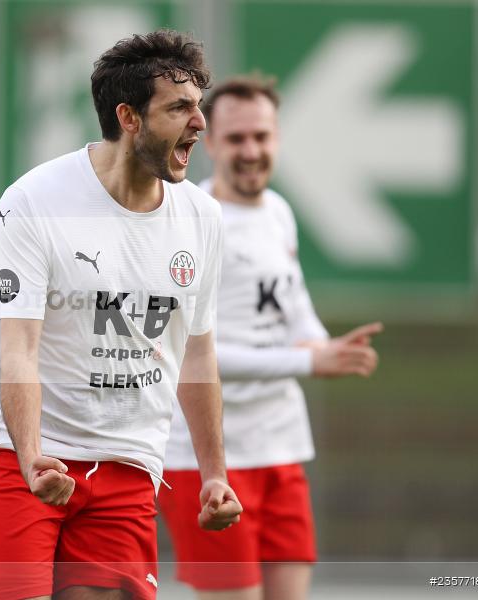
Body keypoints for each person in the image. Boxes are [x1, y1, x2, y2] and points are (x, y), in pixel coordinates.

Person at [0, 30, 242, 600]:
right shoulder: (35, 200)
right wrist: (33, 455)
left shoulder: (203, 219)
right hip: (15, 459)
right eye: (179, 108)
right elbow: (20, 348)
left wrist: (214, 474)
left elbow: (197, 351)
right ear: (128, 117)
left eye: (198, 106)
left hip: (126, 461)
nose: (200, 124)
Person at [160, 75, 383, 600]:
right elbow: (191, 356)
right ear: (209, 142)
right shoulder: (188, 220)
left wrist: (323, 344)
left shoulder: (279, 211)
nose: (251, 150)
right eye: (236, 139)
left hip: (279, 444)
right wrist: (309, 363)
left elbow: (293, 309)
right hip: (203, 458)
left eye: (262, 136)